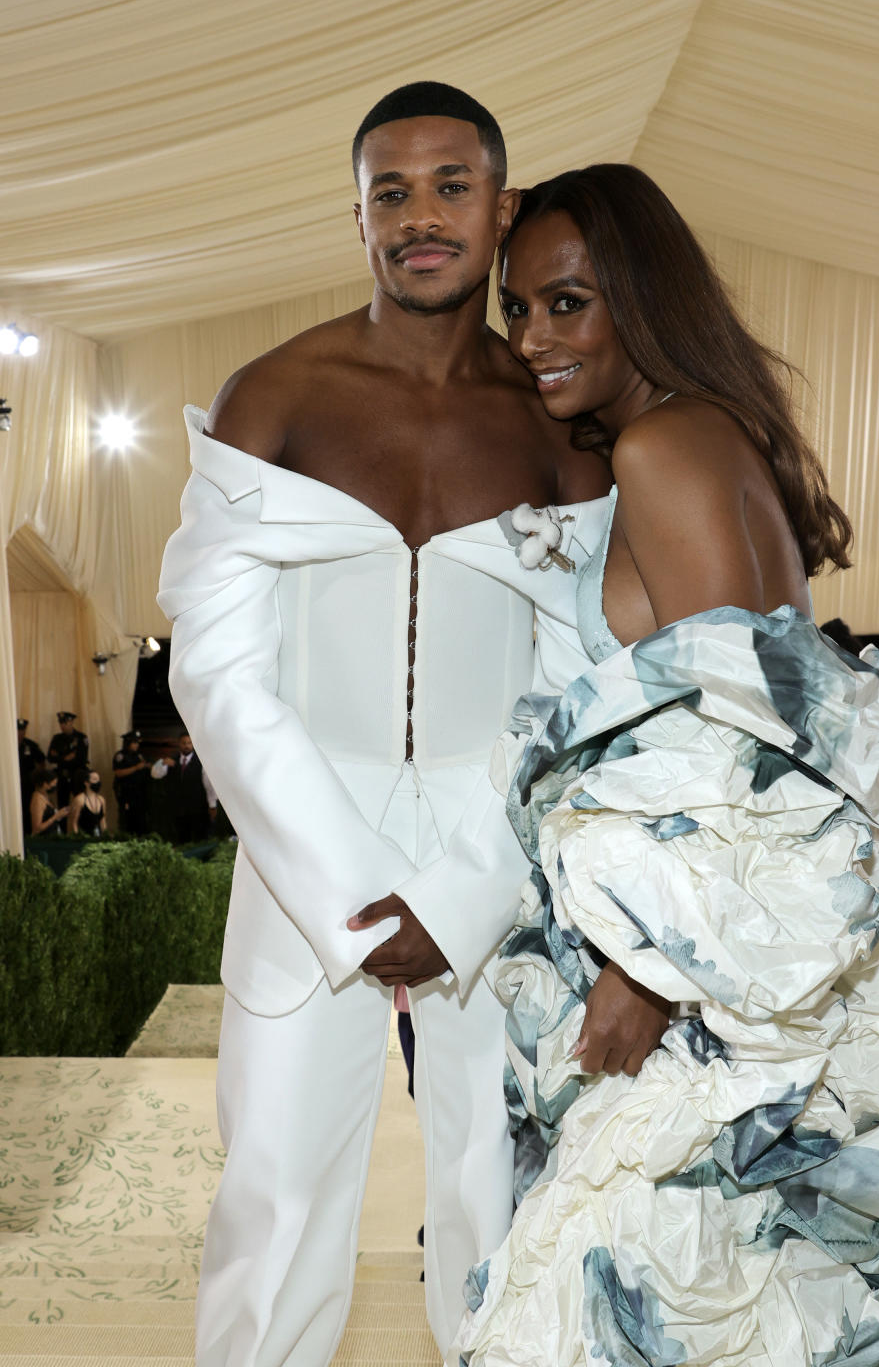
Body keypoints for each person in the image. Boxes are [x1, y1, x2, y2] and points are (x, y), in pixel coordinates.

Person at [455, 165, 879, 1365]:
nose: (533, 338)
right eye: (518, 309)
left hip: (711, 977)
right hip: (743, 959)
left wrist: (648, 969)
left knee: (643, 1288)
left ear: (644, 299)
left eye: (567, 303)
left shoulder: (666, 447)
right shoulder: (696, 433)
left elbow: (752, 742)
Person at [157, 82, 610, 1367]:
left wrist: (464, 893)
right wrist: (355, 894)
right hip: (304, 849)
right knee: (279, 1196)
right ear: (356, 216)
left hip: (502, 856)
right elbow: (220, 673)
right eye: (390, 192)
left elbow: (579, 688)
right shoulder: (276, 394)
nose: (421, 217)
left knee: (501, 1195)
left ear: (500, 204)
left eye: (450, 186)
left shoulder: (556, 418)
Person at [150, 731, 217, 843]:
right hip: (178, 809)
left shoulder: (201, 762)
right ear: (179, 744)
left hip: (198, 808)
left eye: (189, 743)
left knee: (200, 838)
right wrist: (162, 763)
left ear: (193, 744)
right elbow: (155, 774)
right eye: (184, 743)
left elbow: (209, 786)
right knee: (181, 839)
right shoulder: (171, 761)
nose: (186, 745)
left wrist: (212, 805)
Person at [47, 711, 89, 809]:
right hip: (63, 775)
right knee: (62, 805)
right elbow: (50, 757)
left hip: (77, 775)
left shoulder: (81, 738)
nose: (62, 725)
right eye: (61, 723)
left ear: (71, 722)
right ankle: (63, 824)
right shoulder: (57, 738)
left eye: (65, 723)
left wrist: (59, 757)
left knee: (81, 804)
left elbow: (81, 758)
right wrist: (65, 758)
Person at [112, 729, 151, 834]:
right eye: (134, 742)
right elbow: (118, 772)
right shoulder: (120, 756)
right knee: (127, 819)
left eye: (138, 742)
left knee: (140, 819)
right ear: (128, 742)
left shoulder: (139, 755)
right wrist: (135, 768)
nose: (136, 745)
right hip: (126, 792)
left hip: (139, 793)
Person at [17, 718, 45, 838]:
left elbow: (41, 762)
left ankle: (27, 834)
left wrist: (36, 778)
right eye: (18, 730)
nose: (20, 733)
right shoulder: (6, 743)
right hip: (12, 785)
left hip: (27, 783)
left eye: (23, 730)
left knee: (27, 808)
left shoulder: (30, 745)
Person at [29, 765, 69, 837]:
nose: (55, 786)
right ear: (45, 784)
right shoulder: (37, 799)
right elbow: (36, 828)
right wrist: (55, 817)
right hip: (43, 840)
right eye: (53, 784)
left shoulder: (45, 796)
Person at [67, 767, 107, 837]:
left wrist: (105, 836)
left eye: (98, 779)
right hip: (84, 837)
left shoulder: (101, 800)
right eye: (95, 779)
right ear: (86, 783)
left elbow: (102, 820)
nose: (98, 782)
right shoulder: (80, 799)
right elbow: (73, 822)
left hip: (98, 838)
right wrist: (77, 838)